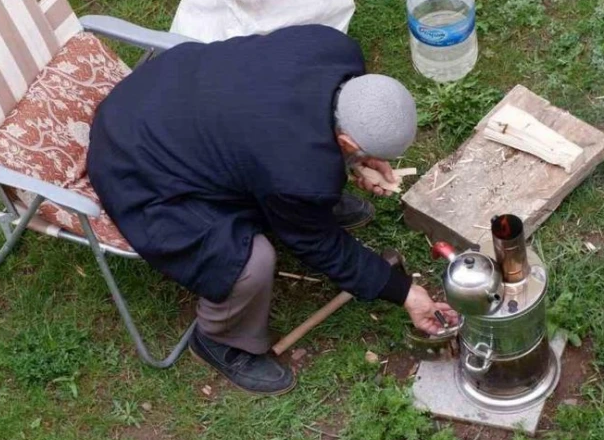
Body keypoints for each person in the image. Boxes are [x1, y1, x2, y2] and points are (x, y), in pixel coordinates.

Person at [86, 24, 458, 395]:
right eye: (362, 152)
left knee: (297, 192)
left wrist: (351, 162)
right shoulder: (294, 173)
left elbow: (313, 123)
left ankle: (303, 208)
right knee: (250, 263)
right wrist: (405, 292)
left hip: (157, 94)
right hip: (136, 168)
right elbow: (322, 248)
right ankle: (220, 339)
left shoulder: (333, 48)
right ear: (345, 140)